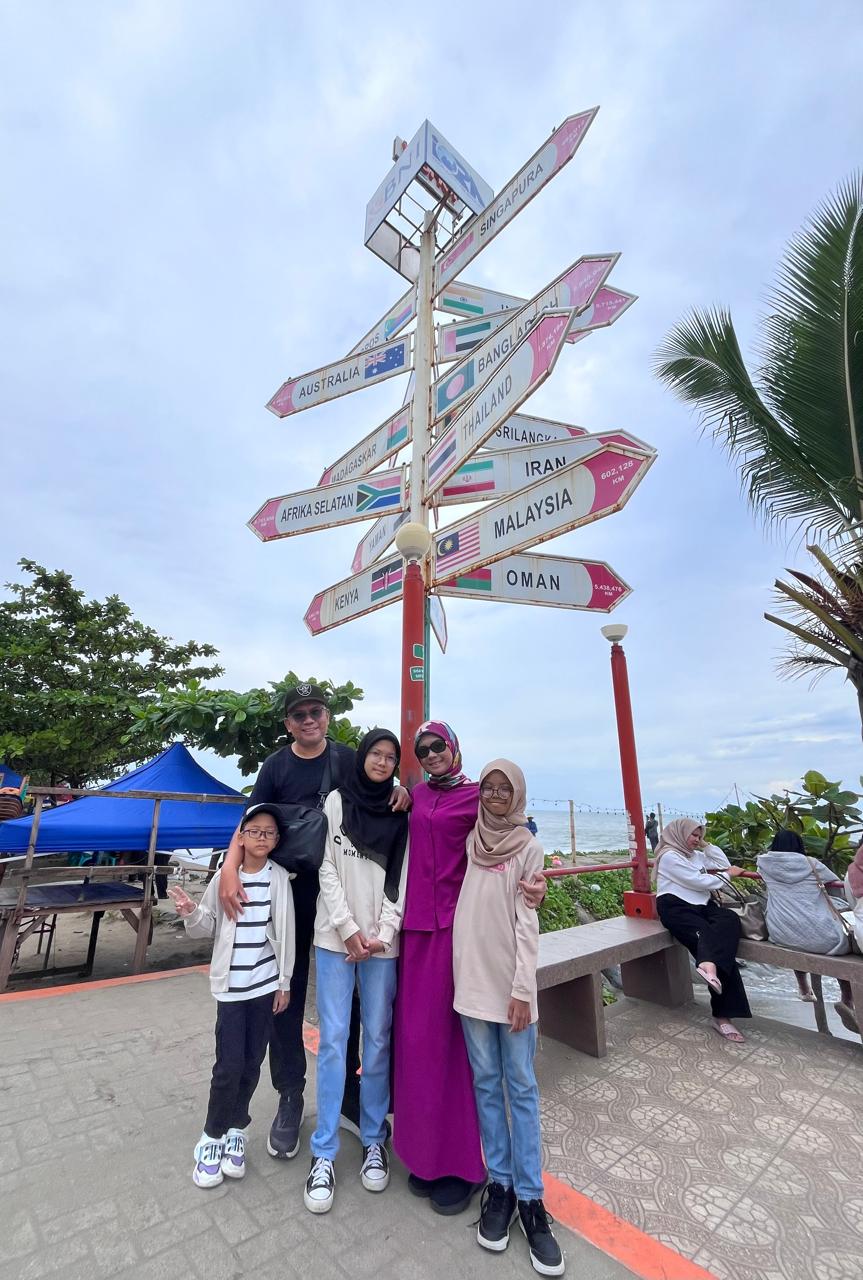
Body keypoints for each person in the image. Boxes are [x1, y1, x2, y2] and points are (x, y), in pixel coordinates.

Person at [217, 682, 410, 1161]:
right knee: (284, 991)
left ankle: (347, 1090)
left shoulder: (345, 758)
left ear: (327, 716)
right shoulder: (276, 766)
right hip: (286, 893)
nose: (309, 720)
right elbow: (250, 821)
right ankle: (290, 1094)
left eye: (316, 712)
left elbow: (375, 786)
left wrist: (401, 789)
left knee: (353, 1001)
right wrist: (229, 869)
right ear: (288, 723)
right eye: (299, 714)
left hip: (337, 895)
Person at [392, 721, 547, 1216]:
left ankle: (462, 1166)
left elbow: (517, 834)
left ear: (455, 747)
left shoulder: (477, 795)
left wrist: (539, 884)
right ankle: (423, 1154)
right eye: (423, 749)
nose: (432, 754)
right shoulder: (416, 796)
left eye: (439, 745)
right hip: (416, 931)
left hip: (459, 935)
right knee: (417, 1045)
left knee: (457, 1052)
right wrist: (399, 791)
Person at [454, 759, 565, 1276]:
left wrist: (523, 989)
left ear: (518, 794)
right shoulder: (470, 839)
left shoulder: (528, 846)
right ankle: (499, 1186)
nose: (495, 795)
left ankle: (531, 1199)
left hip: (512, 989)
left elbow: (528, 922)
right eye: (489, 787)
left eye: (505, 789)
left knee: (520, 1087)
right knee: (486, 1084)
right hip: (470, 983)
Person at [304, 729, 409, 1214]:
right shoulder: (336, 802)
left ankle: (373, 1139)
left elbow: (401, 878)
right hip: (335, 940)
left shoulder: (399, 811)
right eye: (376, 754)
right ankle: (323, 1150)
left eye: (390, 757)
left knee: (379, 1041)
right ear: (363, 756)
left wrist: (383, 933)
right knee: (333, 1040)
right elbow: (325, 867)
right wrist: (347, 928)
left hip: (382, 946)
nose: (382, 763)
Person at [169, 803, 295, 1188]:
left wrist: (285, 983)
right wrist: (190, 911)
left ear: (277, 840)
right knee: (228, 1065)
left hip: (264, 987)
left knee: (253, 1062)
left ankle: (237, 1127)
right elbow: (207, 925)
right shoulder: (225, 878)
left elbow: (287, 933)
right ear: (240, 837)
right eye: (254, 831)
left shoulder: (279, 879)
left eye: (269, 833)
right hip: (231, 989)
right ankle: (212, 1134)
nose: (261, 838)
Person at [654, 817, 752, 1042]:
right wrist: (728, 875)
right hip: (675, 906)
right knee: (706, 934)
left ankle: (710, 966)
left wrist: (706, 845)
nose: (697, 840)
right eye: (693, 835)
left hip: (702, 905)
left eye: (700, 836)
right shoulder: (669, 856)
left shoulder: (695, 855)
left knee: (729, 919)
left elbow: (723, 862)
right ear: (679, 834)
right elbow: (698, 881)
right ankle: (722, 1016)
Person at [757, 829, 857, 1032]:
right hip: (816, 932)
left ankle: (803, 985)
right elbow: (835, 886)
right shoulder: (811, 864)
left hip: (780, 930)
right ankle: (847, 999)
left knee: (797, 937)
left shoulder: (763, 863)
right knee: (842, 947)